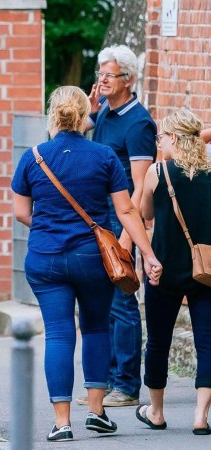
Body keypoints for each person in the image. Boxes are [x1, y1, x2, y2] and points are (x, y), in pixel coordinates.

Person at [12, 86, 162, 442]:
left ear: (53, 115)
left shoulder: (32, 157)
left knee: (59, 334)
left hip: (45, 257)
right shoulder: (104, 155)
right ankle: (96, 412)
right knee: (95, 328)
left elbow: (21, 212)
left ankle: (62, 422)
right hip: (91, 258)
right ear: (85, 116)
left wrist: (50, 226)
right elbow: (126, 210)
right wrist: (149, 255)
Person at [85, 44, 158, 407]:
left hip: (122, 218)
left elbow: (141, 185)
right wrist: (90, 105)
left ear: (128, 80)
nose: (102, 81)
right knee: (102, 300)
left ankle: (126, 386)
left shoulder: (139, 122)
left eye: (108, 75)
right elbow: (66, 130)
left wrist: (129, 237)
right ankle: (108, 379)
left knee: (123, 298)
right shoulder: (103, 115)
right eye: (100, 75)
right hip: (99, 217)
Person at [138, 108, 211, 435]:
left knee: (157, 341)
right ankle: (200, 417)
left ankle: (156, 411)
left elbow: (144, 212)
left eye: (162, 137)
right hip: (206, 271)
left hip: (163, 270)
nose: (158, 142)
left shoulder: (158, 171)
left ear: (175, 139)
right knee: (208, 343)